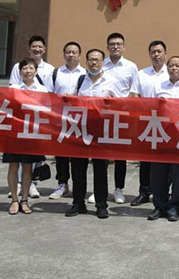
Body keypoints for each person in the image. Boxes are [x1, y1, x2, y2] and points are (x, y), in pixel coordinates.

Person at [65, 49, 119, 220]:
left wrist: (112, 102)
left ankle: (101, 205)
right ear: (86, 61)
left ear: (103, 62)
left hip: (101, 131)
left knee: (100, 169)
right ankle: (78, 203)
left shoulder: (111, 81)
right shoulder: (81, 80)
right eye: (91, 60)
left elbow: (122, 104)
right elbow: (73, 99)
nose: (94, 63)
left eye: (97, 60)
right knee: (78, 168)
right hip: (81, 129)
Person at [149, 56, 179, 222]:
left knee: (177, 175)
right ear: (167, 68)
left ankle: (173, 207)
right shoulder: (158, 86)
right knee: (158, 174)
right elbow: (150, 108)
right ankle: (159, 206)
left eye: (177, 65)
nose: (174, 68)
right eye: (171, 65)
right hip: (161, 134)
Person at [8, 35, 55, 198]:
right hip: (19, 121)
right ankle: (17, 185)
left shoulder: (50, 69)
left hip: (37, 121)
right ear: (29, 48)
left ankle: (32, 184)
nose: (37, 49)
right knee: (16, 158)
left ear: (44, 49)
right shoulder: (17, 69)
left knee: (33, 157)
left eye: (40, 46)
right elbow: (11, 93)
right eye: (34, 46)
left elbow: (49, 97)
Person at [97, 32, 141, 206]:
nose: (115, 46)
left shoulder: (131, 67)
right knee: (101, 154)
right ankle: (100, 190)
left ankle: (119, 189)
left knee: (120, 154)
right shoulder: (101, 64)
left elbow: (134, 92)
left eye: (119, 44)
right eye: (112, 44)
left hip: (122, 115)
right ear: (107, 47)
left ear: (124, 47)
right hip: (102, 115)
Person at [6, 59, 48, 215]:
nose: (28, 71)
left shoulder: (42, 89)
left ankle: (24, 200)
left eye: (31, 68)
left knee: (28, 166)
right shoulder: (13, 88)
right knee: (13, 165)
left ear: (36, 71)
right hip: (14, 131)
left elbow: (46, 110)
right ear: (20, 71)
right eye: (24, 68)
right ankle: (14, 200)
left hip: (32, 132)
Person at [130, 40, 168, 207]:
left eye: (159, 51)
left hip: (165, 123)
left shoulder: (171, 73)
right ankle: (144, 192)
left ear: (165, 54)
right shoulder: (141, 74)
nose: (156, 55)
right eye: (153, 52)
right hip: (146, 122)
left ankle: (163, 192)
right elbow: (134, 95)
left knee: (164, 159)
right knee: (145, 159)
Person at [48, 41, 85, 200]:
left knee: (78, 155)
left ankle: (79, 187)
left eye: (74, 52)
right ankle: (62, 184)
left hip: (78, 120)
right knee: (60, 153)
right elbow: (49, 94)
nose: (71, 55)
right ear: (64, 54)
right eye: (68, 52)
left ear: (79, 55)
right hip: (60, 118)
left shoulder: (85, 73)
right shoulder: (56, 73)